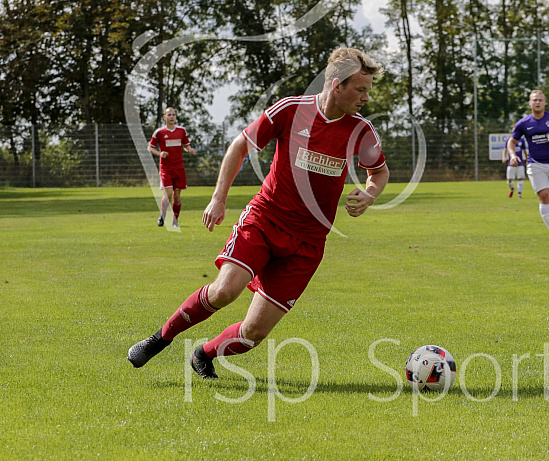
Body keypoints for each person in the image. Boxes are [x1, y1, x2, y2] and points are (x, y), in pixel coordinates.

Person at [128, 47, 390, 379]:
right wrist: (218, 198)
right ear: (337, 85)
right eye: (361, 89)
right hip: (265, 221)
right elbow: (239, 145)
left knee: (253, 334)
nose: (366, 97)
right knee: (224, 292)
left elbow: (379, 173)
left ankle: (203, 354)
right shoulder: (292, 110)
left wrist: (368, 195)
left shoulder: (361, 130)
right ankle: (159, 339)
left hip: (308, 244)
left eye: (368, 90)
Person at [508, 90, 549, 238]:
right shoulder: (523, 123)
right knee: (544, 196)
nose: (537, 102)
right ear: (530, 103)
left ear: (545, 103)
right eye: (535, 100)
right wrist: (512, 156)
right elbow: (511, 142)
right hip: (535, 164)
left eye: (540, 100)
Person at [148, 107, 196, 228]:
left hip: (179, 168)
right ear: (164, 117)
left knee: (177, 196)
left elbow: (186, 145)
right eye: (169, 115)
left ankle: (175, 220)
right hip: (166, 168)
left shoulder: (181, 131)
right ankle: (163, 214)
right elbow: (150, 148)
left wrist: (189, 150)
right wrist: (160, 154)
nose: (172, 117)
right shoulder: (159, 132)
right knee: (168, 193)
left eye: (173, 115)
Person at [501, 124, 529, 198]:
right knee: (509, 180)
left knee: (520, 178)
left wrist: (527, 159)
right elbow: (505, 150)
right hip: (511, 163)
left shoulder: (522, 140)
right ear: (512, 130)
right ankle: (512, 189)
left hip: (520, 163)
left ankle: (519, 194)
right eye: (513, 129)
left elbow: (525, 151)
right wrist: (503, 157)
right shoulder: (509, 140)